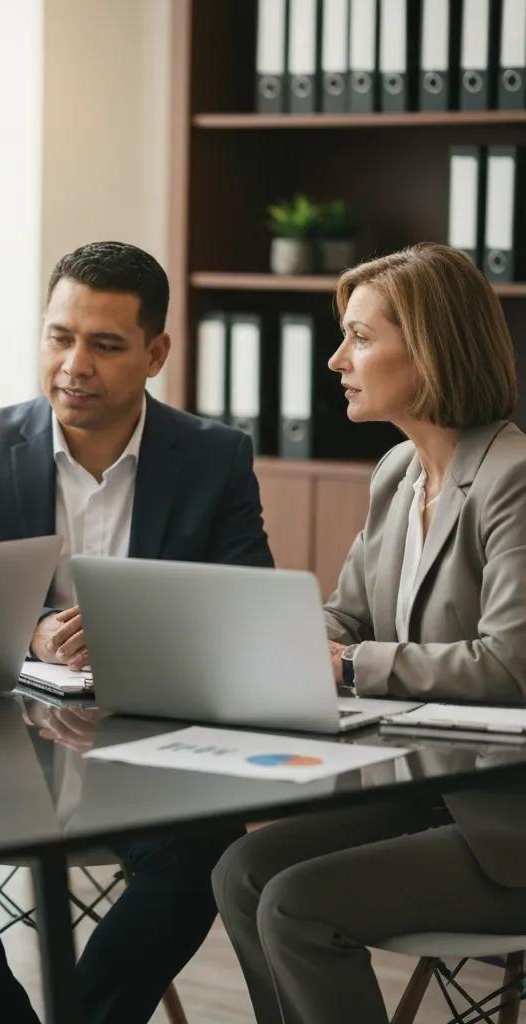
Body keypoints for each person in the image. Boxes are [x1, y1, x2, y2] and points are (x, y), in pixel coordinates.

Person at [0, 241, 274, 1023]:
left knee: (205, 852)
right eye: (59, 337)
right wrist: (32, 632)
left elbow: (245, 613)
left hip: (148, 752)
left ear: (156, 352)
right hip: (1, 751)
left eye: (105, 344)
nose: (73, 365)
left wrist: (133, 628)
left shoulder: (212, 458)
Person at [212, 241, 526, 1024]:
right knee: (242, 872)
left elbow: (511, 665)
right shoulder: (397, 471)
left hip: (504, 813)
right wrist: (277, 639)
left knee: (296, 907)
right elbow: (347, 614)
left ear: (428, 347)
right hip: (425, 790)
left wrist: (347, 666)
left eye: (359, 336)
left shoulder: (512, 477)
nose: (334, 359)